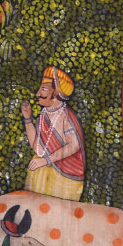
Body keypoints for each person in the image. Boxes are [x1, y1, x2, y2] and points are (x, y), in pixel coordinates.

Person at [20, 66, 86, 201]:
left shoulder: (65, 116)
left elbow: (74, 145)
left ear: (56, 93)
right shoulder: (44, 115)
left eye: (44, 89)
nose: (38, 94)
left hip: (66, 176)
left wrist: (46, 160)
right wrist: (27, 119)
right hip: (43, 169)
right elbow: (37, 148)